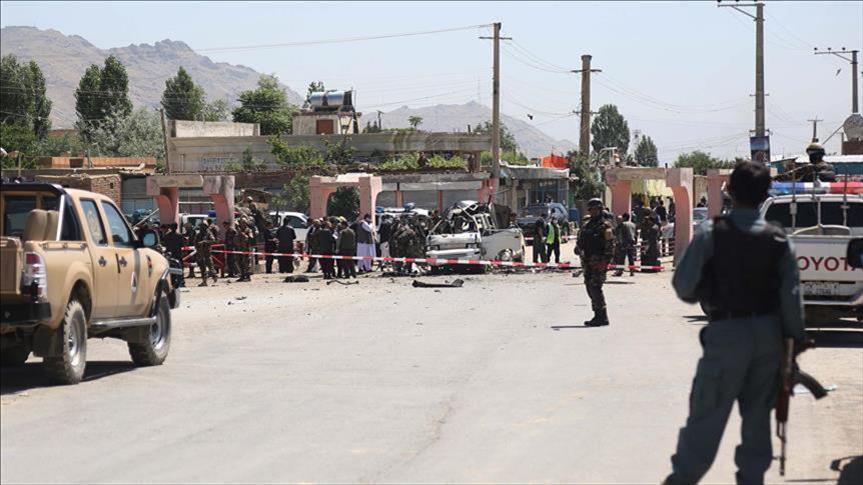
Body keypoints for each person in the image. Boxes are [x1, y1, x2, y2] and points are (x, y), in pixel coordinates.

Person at [663, 161, 806, 485]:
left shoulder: (711, 233)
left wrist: (706, 290)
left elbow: (683, 287)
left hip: (725, 334)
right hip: (768, 339)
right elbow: (792, 300)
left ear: (729, 191)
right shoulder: (779, 240)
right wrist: (794, 343)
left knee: (706, 419)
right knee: (757, 424)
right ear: (765, 195)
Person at [575, 198, 615, 326]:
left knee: (595, 287)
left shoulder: (605, 226)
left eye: (596, 209)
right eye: (591, 209)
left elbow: (610, 246)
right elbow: (580, 241)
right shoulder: (587, 225)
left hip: (599, 262)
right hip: (587, 261)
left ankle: (602, 316)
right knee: (589, 288)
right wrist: (578, 247)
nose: (593, 211)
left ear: (600, 209)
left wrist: (605, 261)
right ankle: (597, 314)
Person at [613, 212, 637, 277]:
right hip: (631, 243)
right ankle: (632, 271)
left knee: (621, 257)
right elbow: (635, 234)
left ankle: (620, 271)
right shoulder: (633, 224)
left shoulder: (622, 224)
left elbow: (616, 231)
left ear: (624, 217)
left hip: (624, 243)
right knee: (631, 257)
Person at [195, 220, 218, 286]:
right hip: (200, 253)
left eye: (203, 226)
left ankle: (215, 278)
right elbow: (195, 242)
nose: (201, 228)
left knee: (210, 266)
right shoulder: (198, 234)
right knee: (202, 267)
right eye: (201, 226)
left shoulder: (208, 233)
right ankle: (204, 281)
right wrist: (197, 248)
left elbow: (213, 240)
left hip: (207, 253)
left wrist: (204, 242)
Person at [163, 223, 185, 288]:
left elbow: (165, 244)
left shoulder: (166, 235)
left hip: (170, 254)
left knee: (170, 268)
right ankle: (181, 282)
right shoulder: (179, 235)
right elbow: (182, 244)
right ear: (176, 227)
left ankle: (172, 282)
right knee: (180, 268)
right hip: (178, 254)